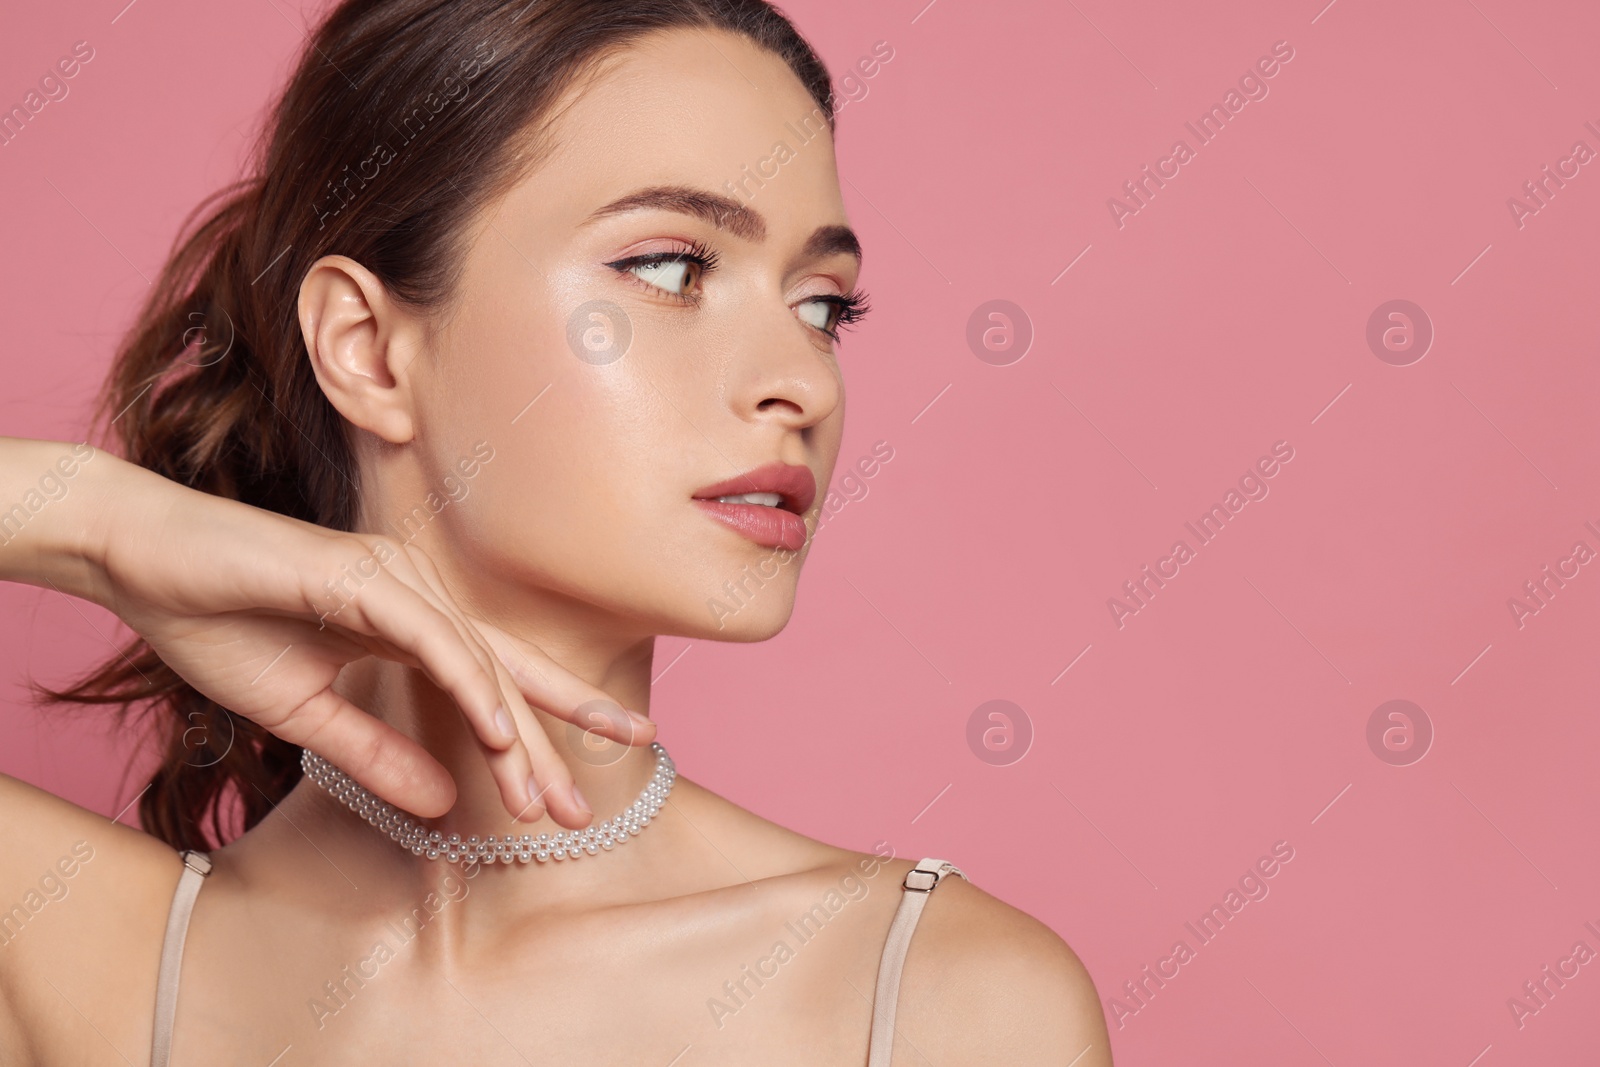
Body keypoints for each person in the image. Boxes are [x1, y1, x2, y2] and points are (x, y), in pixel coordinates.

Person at [0, 1, 1113, 1062]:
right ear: (369, 348)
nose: (799, 384)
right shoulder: (84, 950)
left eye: (821, 304)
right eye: (671, 269)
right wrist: (97, 525)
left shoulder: (935, 994)